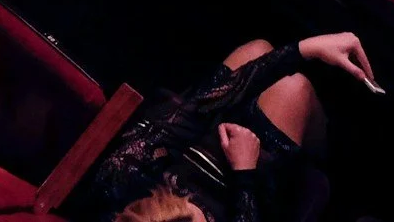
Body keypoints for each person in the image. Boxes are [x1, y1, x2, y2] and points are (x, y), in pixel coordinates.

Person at [93, 33, 374, 221]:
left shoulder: (120, 179)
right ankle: (339, 160)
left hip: (193, 147)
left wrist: (306, 49)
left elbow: (197, 111)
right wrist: (244, 172)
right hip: (247, 187)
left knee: (258, 49)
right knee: (295, 88)